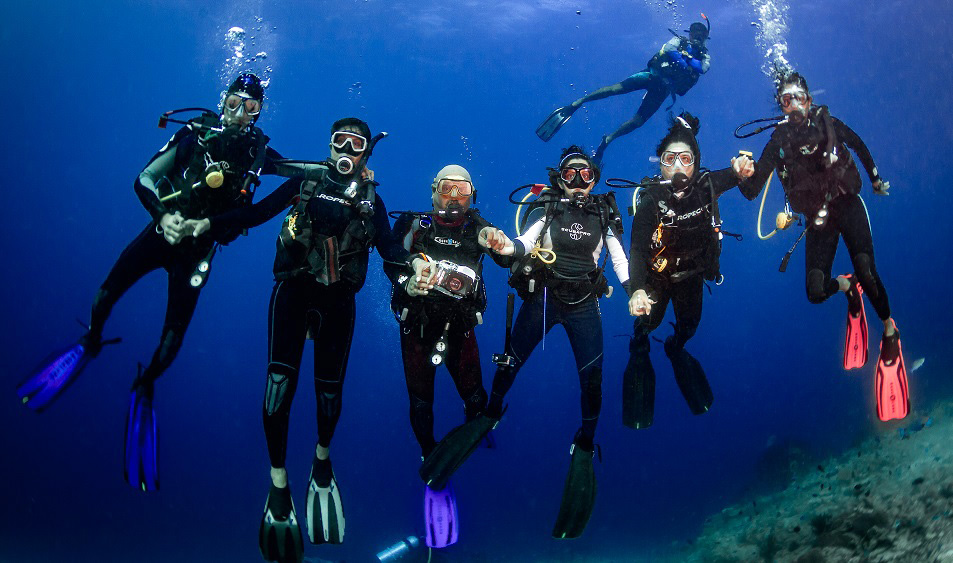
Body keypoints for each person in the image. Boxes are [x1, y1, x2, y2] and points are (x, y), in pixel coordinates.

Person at [16, 73, 283, 492]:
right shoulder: (194, 134)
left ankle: (147, 382)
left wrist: (337, 173)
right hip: (161, 235)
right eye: (235, 102)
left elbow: (297, 171)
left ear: (259, 113)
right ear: (223, 100)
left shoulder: (257, 152)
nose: (240, 114)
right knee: (107, 292)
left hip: (197, 254)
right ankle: (91, 340)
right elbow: (144, 178)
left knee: (172, 339)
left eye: (251, 108)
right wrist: (163, 215)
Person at [187, 118, 430, 563]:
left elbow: (390, 251)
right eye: (340, 141)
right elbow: (254, 215)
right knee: (278, 388)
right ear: (330, 145)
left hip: (339, 304)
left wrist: (412, 269)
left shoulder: (371, 200)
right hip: (293, 294)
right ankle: (278, 480)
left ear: (366, 153)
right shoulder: (304, 183)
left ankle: (321, 459)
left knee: (329, 395)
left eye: (356, 144)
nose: (346, 151)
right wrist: (206, 224)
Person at [419, 146, 630, 539]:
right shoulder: (547, 207)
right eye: (570, 174)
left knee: (593, 381)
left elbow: (619, 260)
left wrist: (635, 291)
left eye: (586, 175)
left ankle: (585, 444)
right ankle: (491, 413)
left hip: (585, 304)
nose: (578, 182)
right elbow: (524, 242)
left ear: (595, 179)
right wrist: (504, 246)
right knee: (510, 362)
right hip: (543, 298)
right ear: (560, 178)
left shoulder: (603, 213)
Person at [738, 71, 908, 422]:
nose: (794, 105)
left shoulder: (828, 123)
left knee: (868, 271)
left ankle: (890, 331)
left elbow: (857, 144)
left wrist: (875, 179)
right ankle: (847, 288)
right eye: (787, 100)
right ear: (781, 106)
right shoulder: (778, 140)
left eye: (799, 98)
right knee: (815, 293)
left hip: (847, 204)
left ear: (810, 100)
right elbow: (753, 191)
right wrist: (742, 174)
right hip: (817, 219)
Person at [385, 164, 512, 548]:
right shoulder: (414, 223)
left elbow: (506, 257)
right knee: (421, 404)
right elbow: (390, 256)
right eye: (446, 188)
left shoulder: (478, 226)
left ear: (473, 195)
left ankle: (469, 444)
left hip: (460, 332)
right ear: (433, 191)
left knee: (476, 400)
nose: (454, 197)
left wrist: (497, 239)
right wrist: (410, 276)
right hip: (416, 330)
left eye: (462, 189)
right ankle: (431, 459)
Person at [623, 113, 753, 429]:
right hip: (657, 278)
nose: (678, 166)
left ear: (696, 161)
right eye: (670, 159)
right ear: (660, 164)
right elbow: (637, 250)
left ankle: (675, 348)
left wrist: (741, 170)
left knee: (689, 328)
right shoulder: (651, 200)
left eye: (686, 158)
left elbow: (733, 174)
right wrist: (637, 289)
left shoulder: (707, 186)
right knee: (646, 323)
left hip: (692, 276)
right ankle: (640, 347)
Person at [536, 18, 711, 164]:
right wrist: (688, 62)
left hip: (662, 90)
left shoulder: (704, 55)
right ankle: (578, 103)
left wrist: (686, 60)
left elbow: (703, 68)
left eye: (701, 33)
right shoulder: (680, 41)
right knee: (615, 89)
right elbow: (670, 50)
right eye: (695, 32)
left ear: (705, 37)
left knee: (638, 121)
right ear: (690, 33)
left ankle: (609, 139)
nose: (697, 35)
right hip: (652, 76)